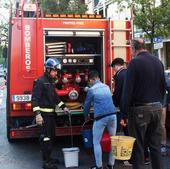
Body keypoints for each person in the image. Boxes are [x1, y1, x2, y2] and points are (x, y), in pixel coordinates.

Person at [120, 38, 166, 169]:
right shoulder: (158, 61)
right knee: (155, 146)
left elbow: (127, 90)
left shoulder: (134, 63)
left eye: (131, 49)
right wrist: (160, 104)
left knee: (138, 147)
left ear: (133, 49)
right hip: (157, 108)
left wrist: (123, 114)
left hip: (140, 110)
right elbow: (163, 87)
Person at [32, 58, 70, 169]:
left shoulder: (50, 82)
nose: (56, 73)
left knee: (51, 137)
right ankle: (46, 162)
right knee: (45, 139)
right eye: (54, 71)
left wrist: (64, 108)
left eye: (57, 71)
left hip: (51, 116)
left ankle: (49, 158)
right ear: (48, 70)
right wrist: (38, 114)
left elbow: (55, 98)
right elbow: (35, 99)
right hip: (43, 117)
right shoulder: (40, 81)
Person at [83, 70, 117, 169]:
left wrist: (86, 116)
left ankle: (99, 166)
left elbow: (86, 106)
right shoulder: (107, 87)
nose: (90, 84)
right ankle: (111, 165)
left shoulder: (92, 90)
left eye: (90, 81)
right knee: (113, 141)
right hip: (113, 115)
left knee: (96, 142)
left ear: (92, 79)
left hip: (101, 117)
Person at [111, 57, 128, 134]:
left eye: (113, 67)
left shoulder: (119, 75)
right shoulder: (128, 72)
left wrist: (113, 103)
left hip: (124, 104)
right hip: (131, 104)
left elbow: (117, 92)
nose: (114, 70)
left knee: (125, 125)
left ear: (116, 66)